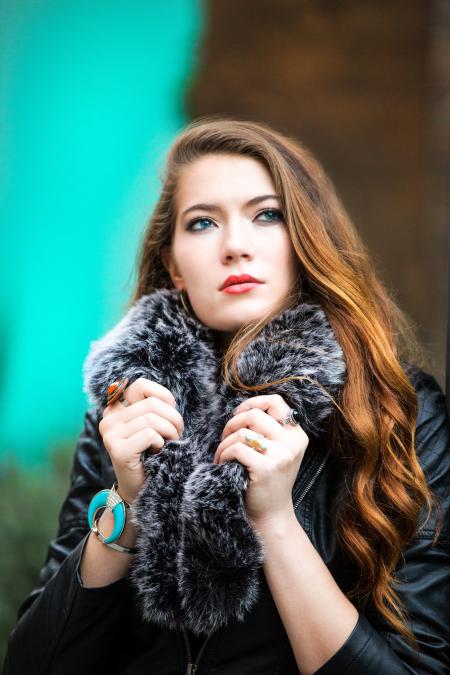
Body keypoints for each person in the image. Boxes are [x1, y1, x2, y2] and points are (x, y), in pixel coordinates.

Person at [3, 117, 450, 675]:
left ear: (305, 240)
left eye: (267, 215)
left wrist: (277, 521)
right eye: (202, 223)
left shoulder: (397, 410)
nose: (235, 246)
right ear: (174, 267)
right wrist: (128, 502)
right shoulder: (129, 411)